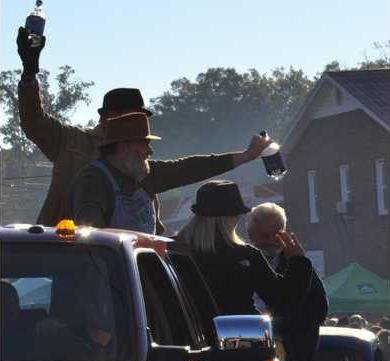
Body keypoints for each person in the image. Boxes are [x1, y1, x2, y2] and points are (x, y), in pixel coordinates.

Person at [16, 27, 271, 234]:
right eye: (133, 119)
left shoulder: (140, 165)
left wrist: (246, 156)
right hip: (73, 256)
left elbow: (189, 168)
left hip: (131, 262)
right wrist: (29, 71)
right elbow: (33, 121)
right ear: (110, 118)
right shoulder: (72, 142)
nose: (147, 147)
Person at [67, 113, 272, 233]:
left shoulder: (145, 172)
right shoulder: (93, 180)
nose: (150, 151)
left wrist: (246, 156)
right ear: (123, 146)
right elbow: (91, 235)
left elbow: (192, 168)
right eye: (144, 143)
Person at [173, 180, 313, 316]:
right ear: (231, 219)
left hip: (177, 337)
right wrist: (298, 260)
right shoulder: (245, 256)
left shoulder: (171, 250)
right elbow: (283, 301)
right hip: (238, 336)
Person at [246, 202, 328, 361]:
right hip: (248, 352)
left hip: (286, 357)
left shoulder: (298, 266)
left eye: (275, 235)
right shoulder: (243, 263)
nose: (269, 242)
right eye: (264, 235)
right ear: (251, 235)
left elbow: (318, 309)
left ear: (283, 233)